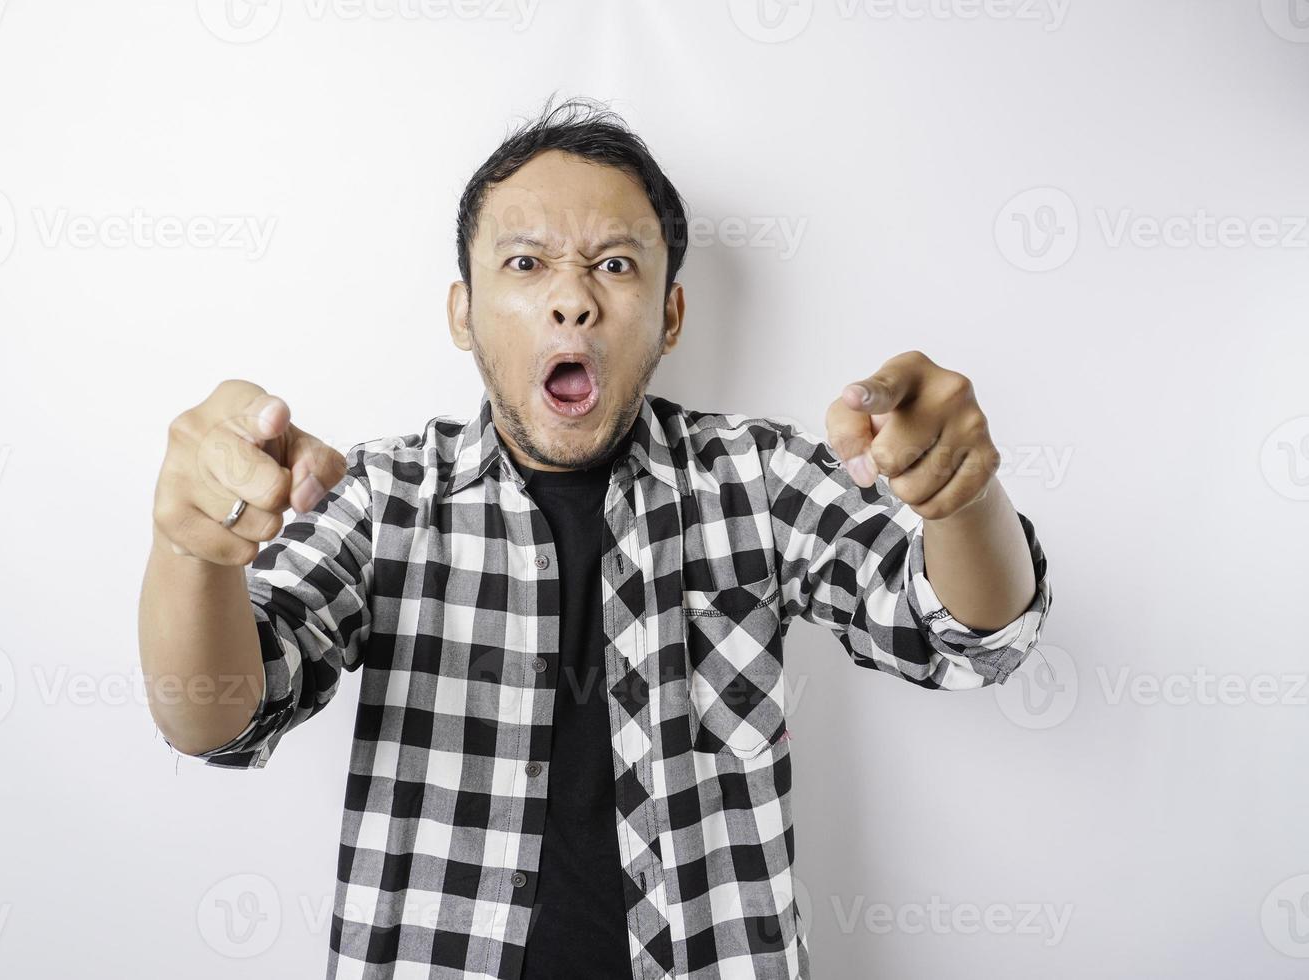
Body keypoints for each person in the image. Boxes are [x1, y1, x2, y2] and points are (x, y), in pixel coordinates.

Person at [138, 95, 1052, 979]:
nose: (572, 299)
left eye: (615, 265)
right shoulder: (385, 498)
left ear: (672, 315)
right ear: (463, 312)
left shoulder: (757, 478)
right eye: (526, 264)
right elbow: (213, 716)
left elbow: (972, 640)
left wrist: (959, 497)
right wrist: (191, 552)